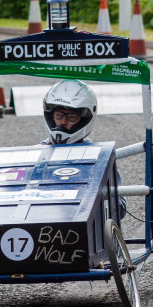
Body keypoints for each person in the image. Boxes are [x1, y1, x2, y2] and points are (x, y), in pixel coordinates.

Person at [42, 79, 126, 219]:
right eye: (58, 115)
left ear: (84, 119)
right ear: (50, 116)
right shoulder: (36, 153)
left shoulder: (100, 156)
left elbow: (120, 207)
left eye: (71, 117)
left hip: (85, 227)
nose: (63, 122)